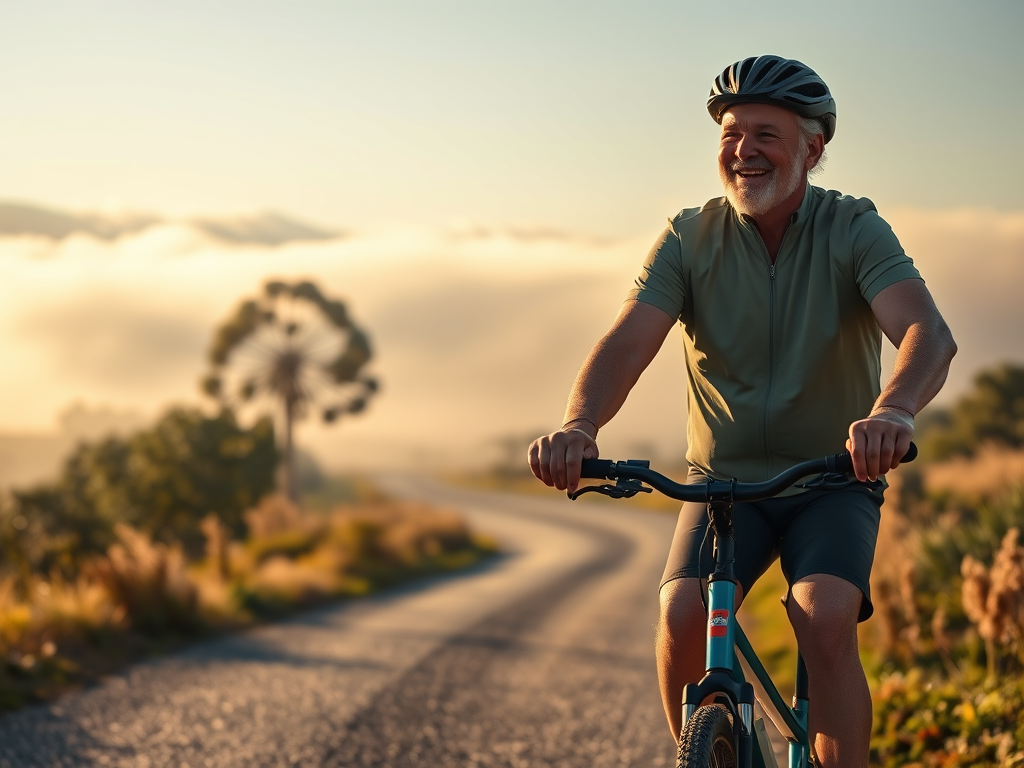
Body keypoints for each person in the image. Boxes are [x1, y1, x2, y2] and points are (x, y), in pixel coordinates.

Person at [527, 55, 957, 768]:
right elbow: (629, 341)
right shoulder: (689, 237)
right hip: (723, 485)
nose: (742, 150)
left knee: (823, 621)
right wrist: (579, 426)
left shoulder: (854, 229)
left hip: (833, 480)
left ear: (813, 149)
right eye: (731, 133)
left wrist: (894, 412)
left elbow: (926, 333)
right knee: (682, 615)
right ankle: (707, 751)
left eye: (766, 133)